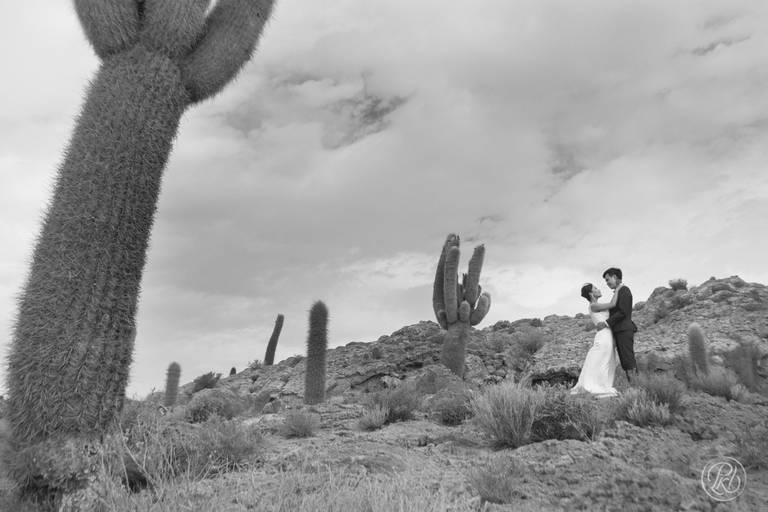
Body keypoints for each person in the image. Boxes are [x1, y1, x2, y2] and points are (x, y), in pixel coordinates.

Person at [570, 283, 620, 398]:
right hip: (603, 336)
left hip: (607, 335)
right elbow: (613, 304)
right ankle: (598, 386)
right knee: (601, 361)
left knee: (606, 361)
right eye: (595, 288)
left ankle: (603, 384)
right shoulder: (593, 305)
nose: (598, 289)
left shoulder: (597, 305)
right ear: (591, 294)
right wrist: (618, 288)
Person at [595, 267, 638, 384]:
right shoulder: (620, 291)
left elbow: (623, 312)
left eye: (608, 280)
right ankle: (635, 388)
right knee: (625, 361)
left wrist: (605, 323)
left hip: (624, 330)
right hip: (620, 331)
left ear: (615, 277)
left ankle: (637, 388)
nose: (607, 283)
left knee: (628, 360)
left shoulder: (624, 290)